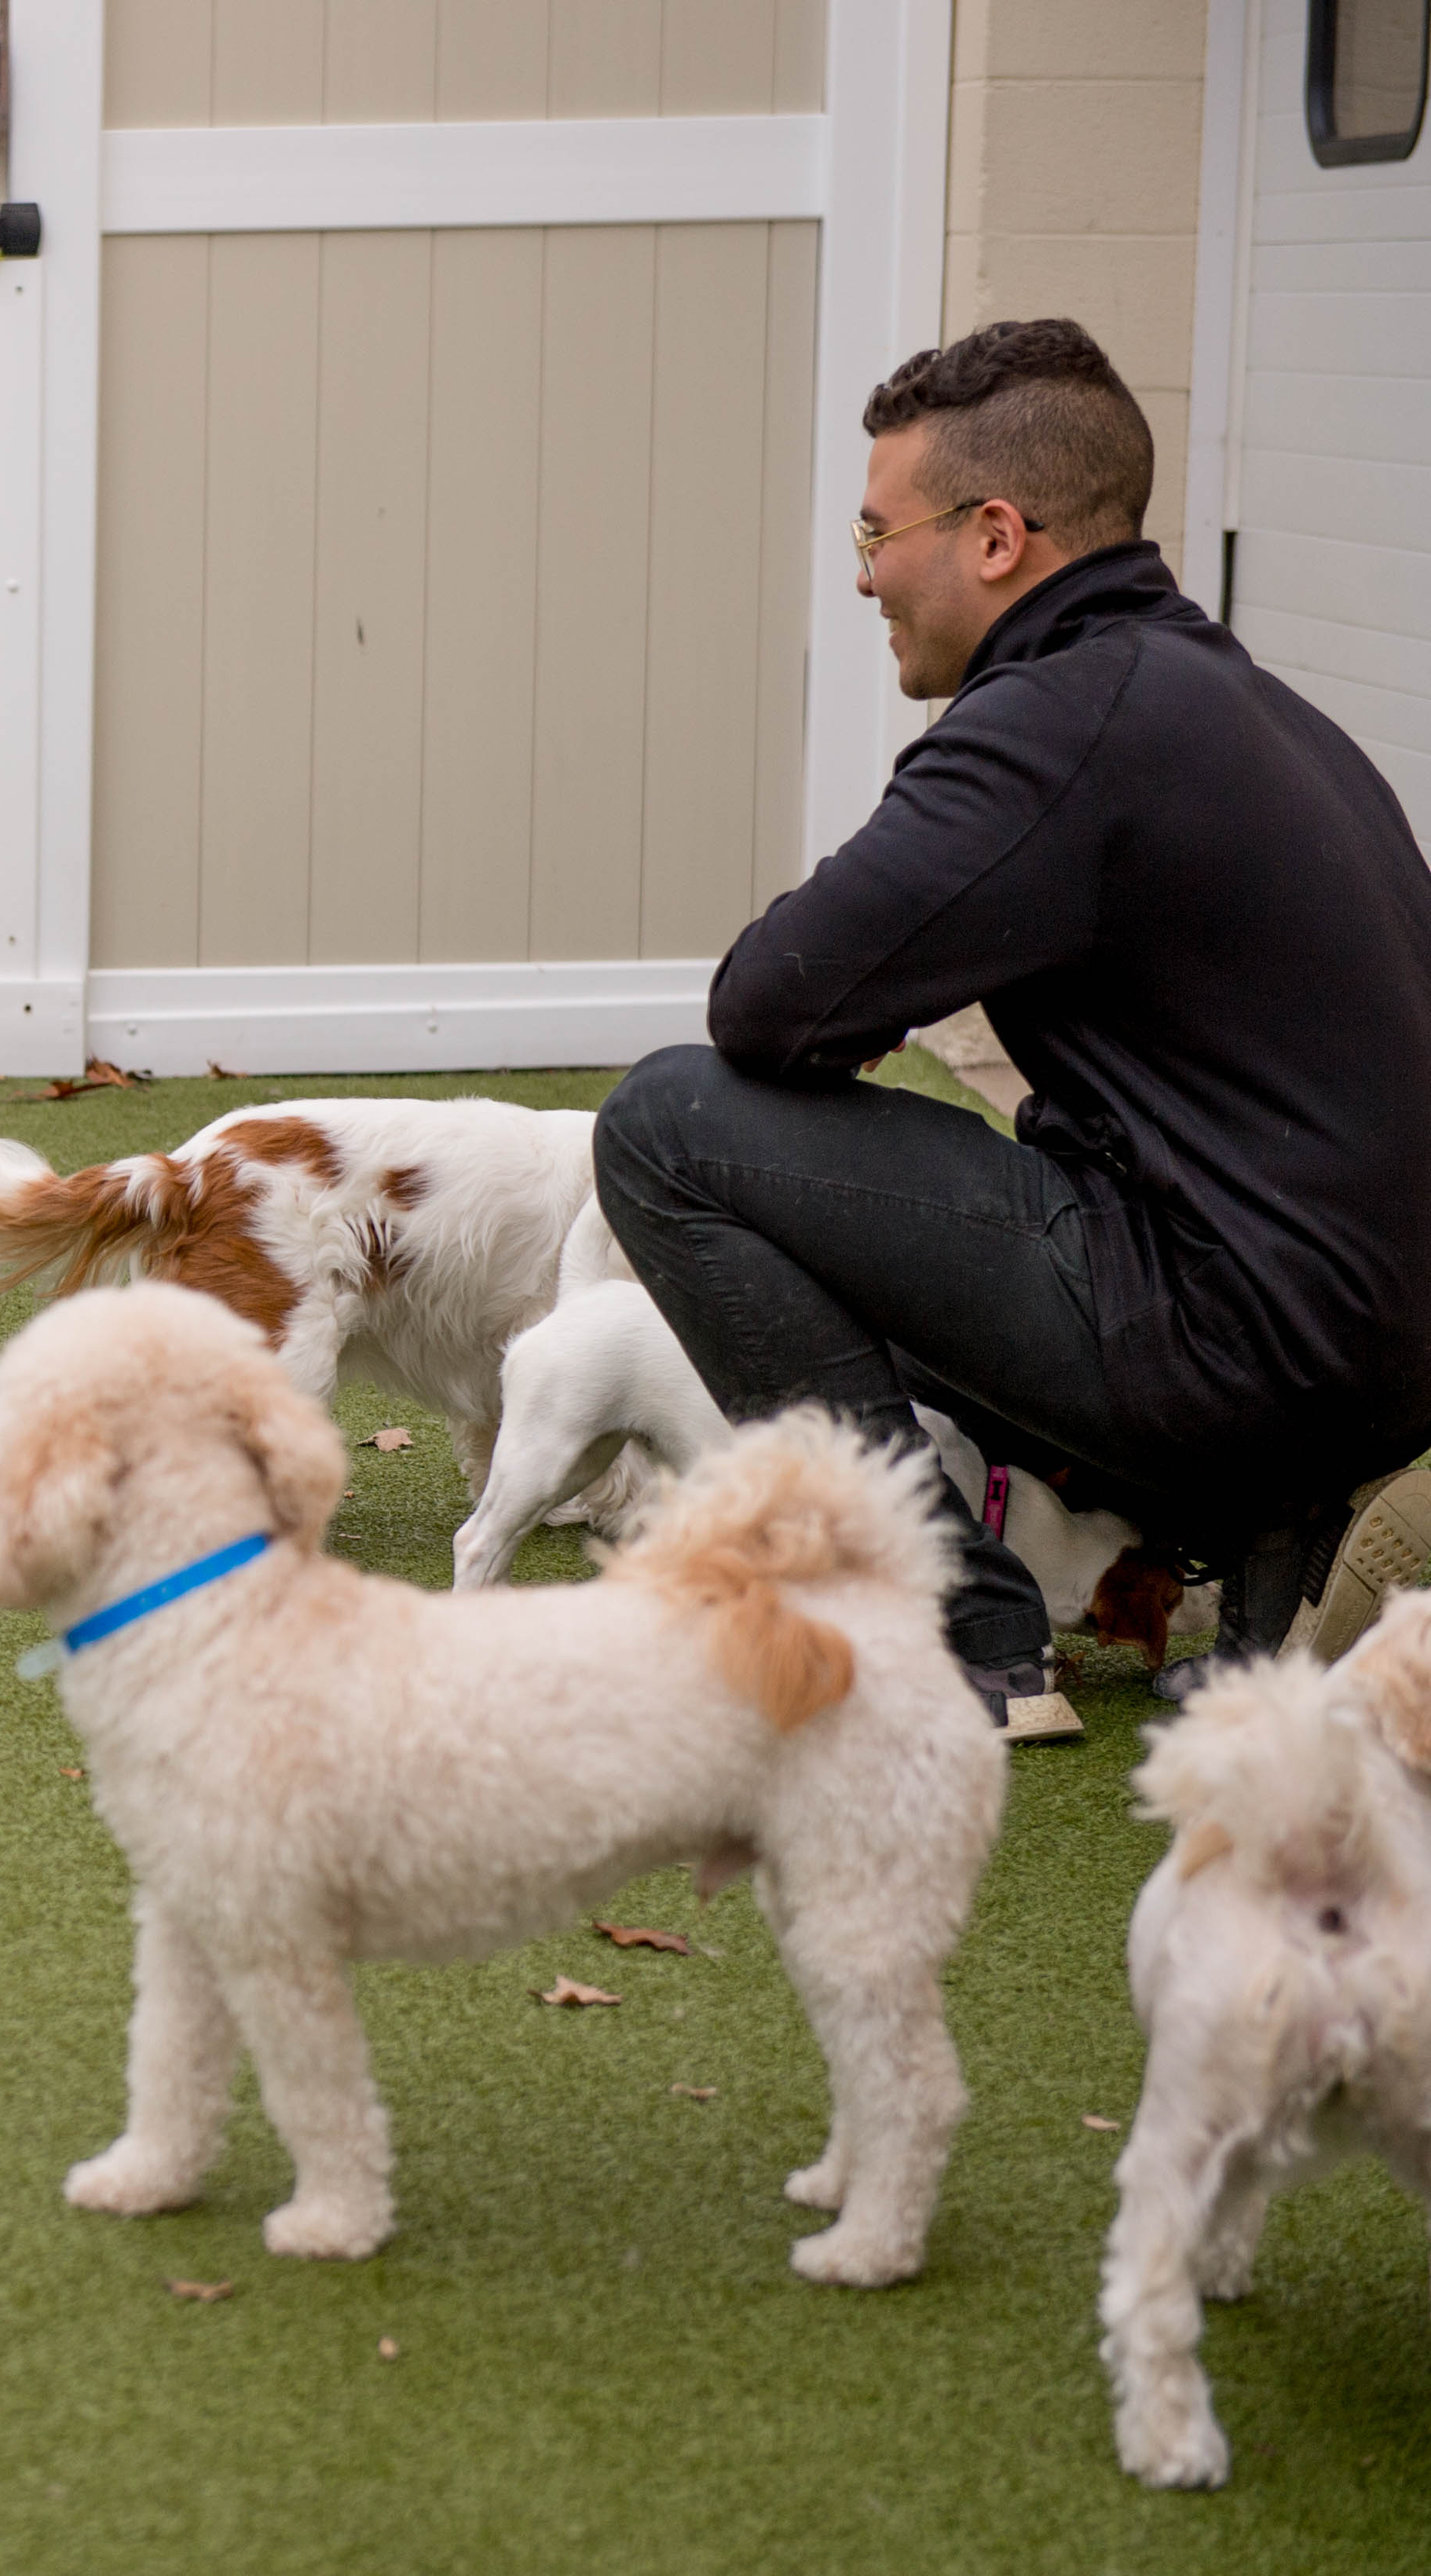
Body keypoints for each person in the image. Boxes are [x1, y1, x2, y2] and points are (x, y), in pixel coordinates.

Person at [591, 317, 1431, 1727]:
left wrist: (832, 1024)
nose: (863, 582)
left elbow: (763, 1006)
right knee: (869, 1225)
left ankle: (952, 1622)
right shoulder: (1243, 702)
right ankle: (1266, 1542)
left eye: (874, 539)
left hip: (1238, 1349)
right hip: (1370, 1363)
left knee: (670, 1127)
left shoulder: (1052, 721)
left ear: (991, 536)